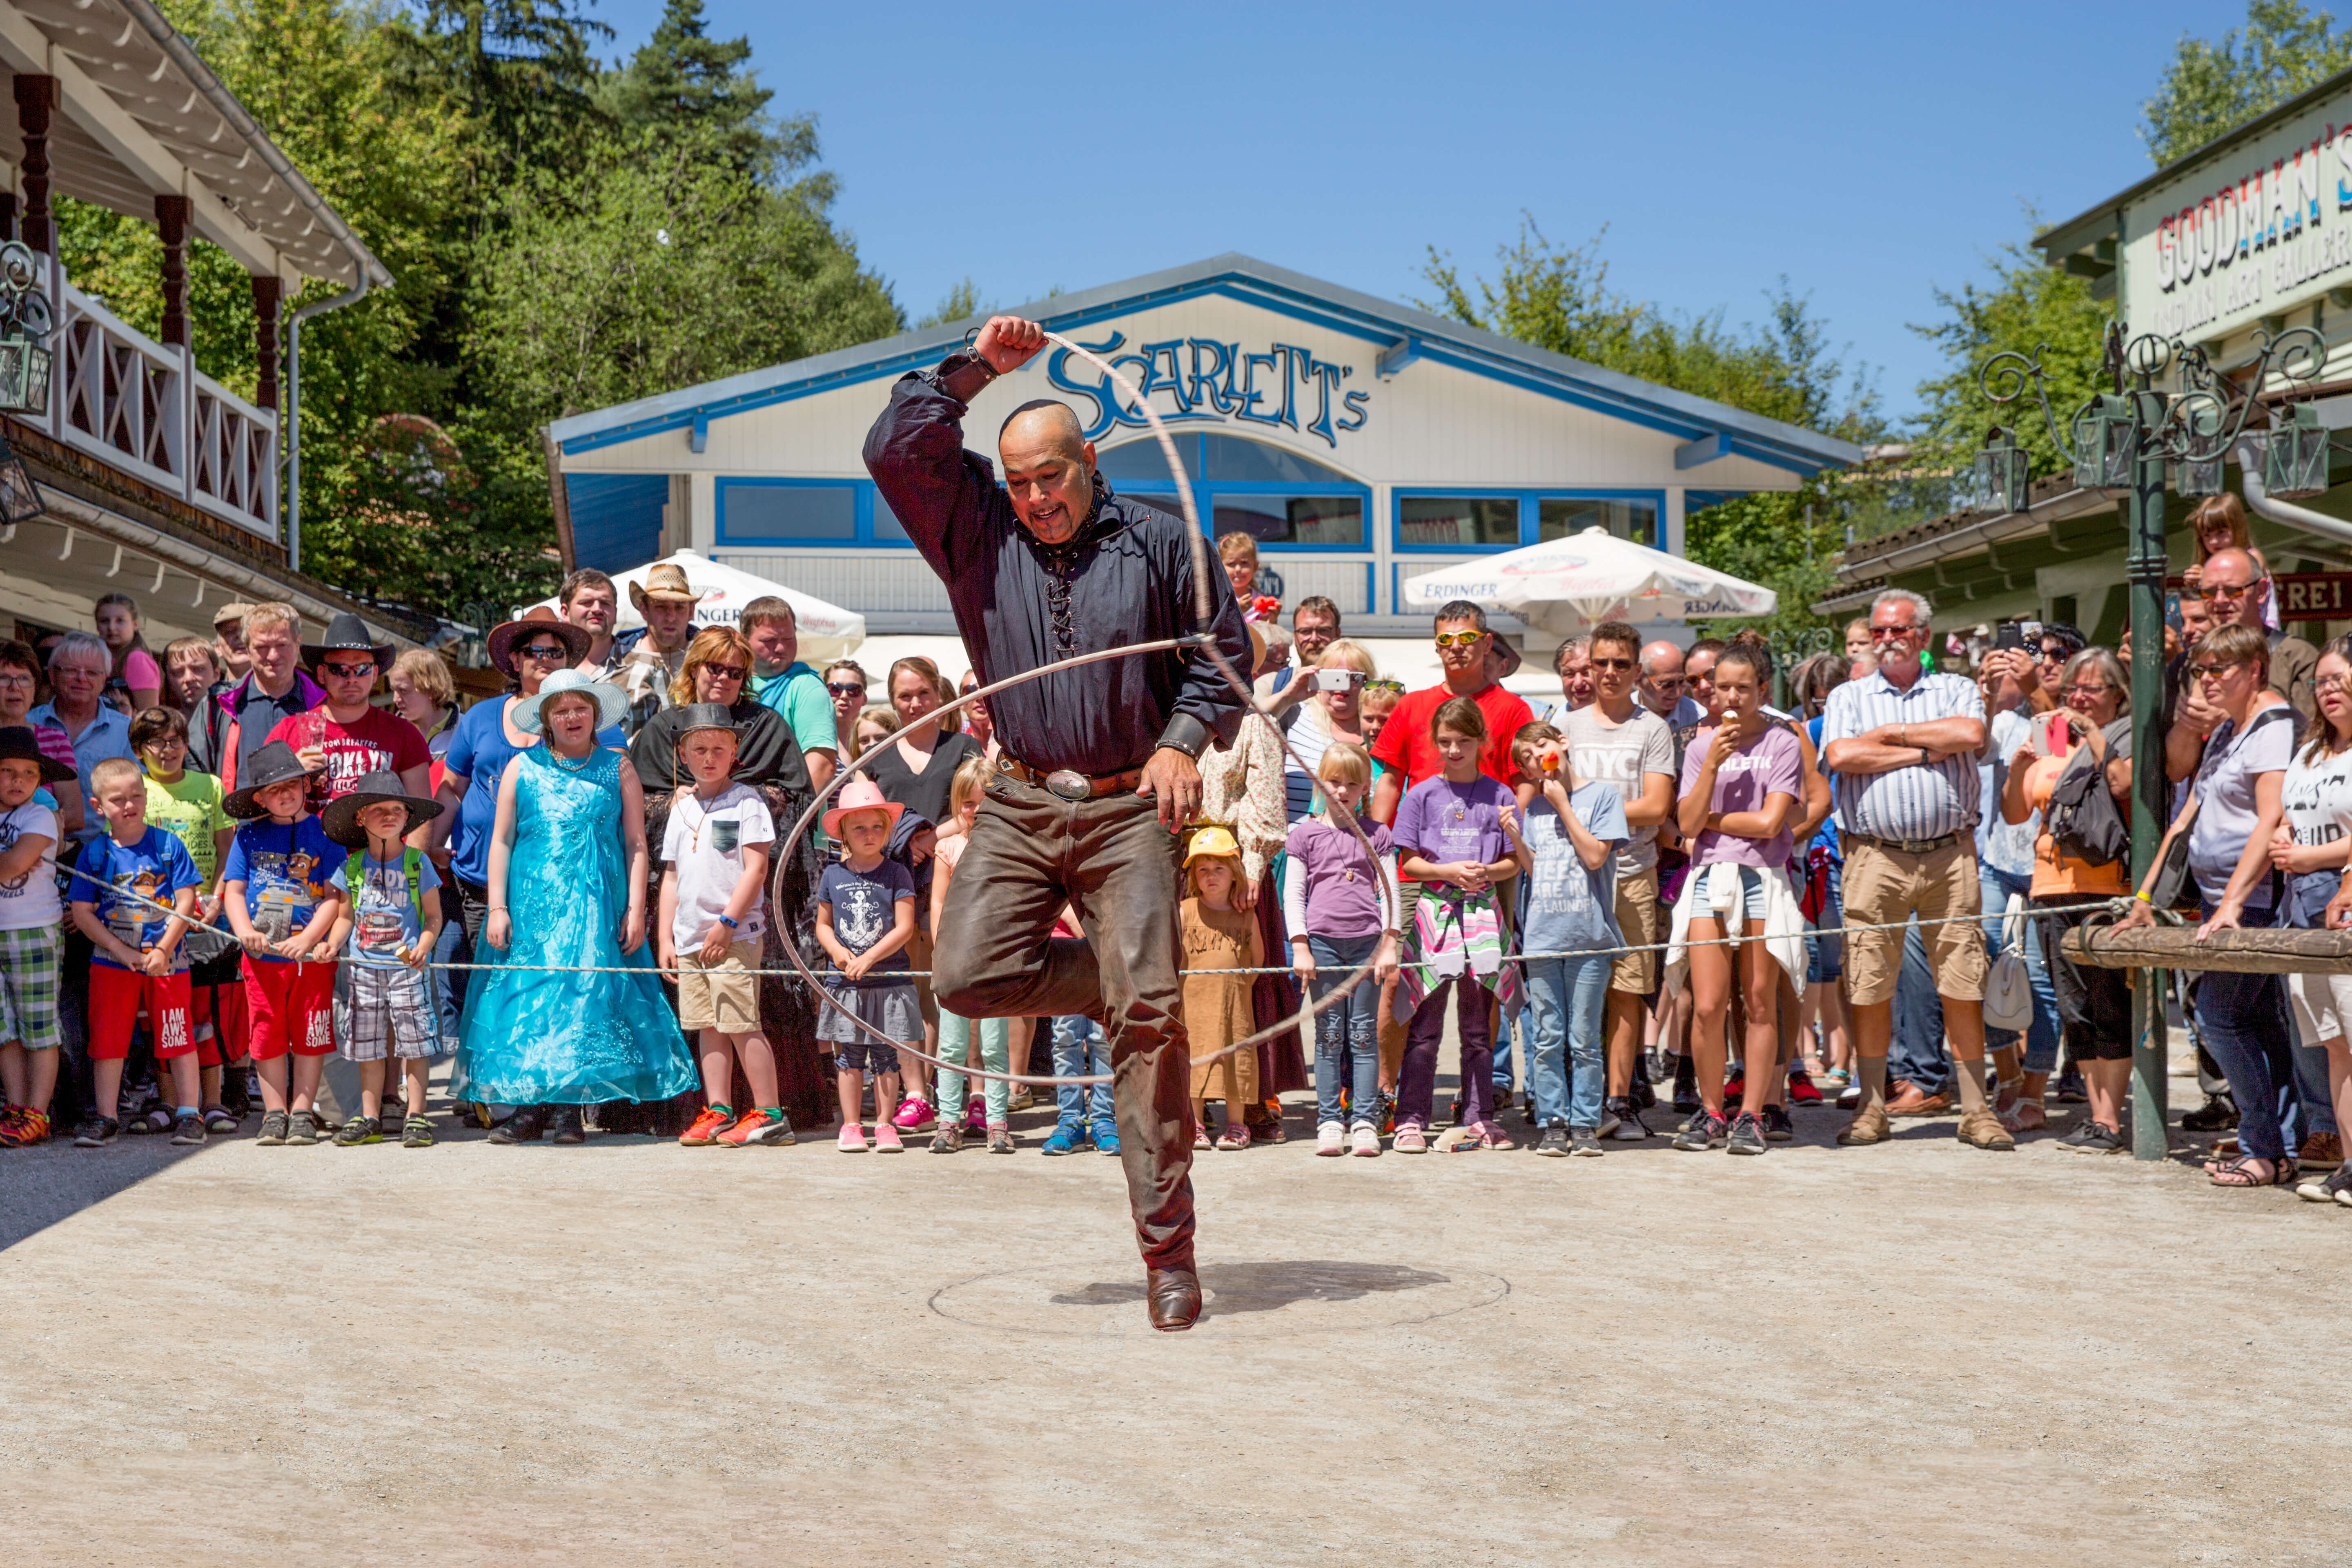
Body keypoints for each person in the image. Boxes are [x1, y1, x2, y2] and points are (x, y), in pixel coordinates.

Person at [864, 314, 1255, 1330]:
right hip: (1021, 795)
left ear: (1090, 465)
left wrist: (1182, 740)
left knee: (1148, 1028)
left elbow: (1225, 657)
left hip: (1130, 805)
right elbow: (893, 447)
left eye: (1051, 477)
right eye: (1020, 482)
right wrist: (977, 369)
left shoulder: (1162, 540)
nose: (1036, 498)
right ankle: (1125, 985)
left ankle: (1168, 1255)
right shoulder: (976, 531)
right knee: (964, 976)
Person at [454, 669, 696, 1144]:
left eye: (580, 708)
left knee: (584, 998)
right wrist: (498, 907)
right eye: (561, 710)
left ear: (595, 714)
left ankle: (568, 1111)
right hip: (534, 909)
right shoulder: (522, 768)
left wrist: (635, 908)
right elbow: (501, 841)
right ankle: (530, 1110)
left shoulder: (618, 768)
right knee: (529, 1000)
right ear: (546, 718)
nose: (572, 717)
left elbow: (636, 843)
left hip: (595, 908)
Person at [1820, 588, 2009, 1152]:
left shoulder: (1955, 688)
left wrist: (1891, 736)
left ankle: (1976, 1110)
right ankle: (1872, 1107)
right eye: (1879, 631)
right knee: (1869, 981)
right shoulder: (1850, 694)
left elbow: (1970, 736)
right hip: (1873, 855)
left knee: (1963, 980)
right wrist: (1927, 750)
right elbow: (1842, 757)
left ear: (1923, 635)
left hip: (1951, 853)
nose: (1886, 640)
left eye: (1898, 630)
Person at [2121, 622, 2300, 1185]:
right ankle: (2277, 1144)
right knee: (2256, 1022)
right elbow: (2183, 821)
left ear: (2254, 670)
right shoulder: (2226, 729)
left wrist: (2234, 904)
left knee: (2218, 1017)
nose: (2206, 681)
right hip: (2216, 897)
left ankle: (2263, 1146)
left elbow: (2270, 819)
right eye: (2200, 671)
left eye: (2218, 669)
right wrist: (2145, 897)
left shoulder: (2274, 726)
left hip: (2257, 901)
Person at [1665, 642, 1803, 1155]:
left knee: (1760, 1000)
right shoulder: (1700, 747)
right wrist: (1710, 767)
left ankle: (1753, 1113)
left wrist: (1712, 821)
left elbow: (1770, 823)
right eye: (1722, 686)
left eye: (1743, 688)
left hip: (1763, 876)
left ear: (1762, 690)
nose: (1731, 697)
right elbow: (1685, 824)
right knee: (1707, 1004)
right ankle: (1712, 1111)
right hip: (1709, 876)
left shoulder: (1783, 741)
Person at [2004, 650, 2134, 1151]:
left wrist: (2093, 732)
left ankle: (2109, 1119)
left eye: (2092, 689)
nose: (2078, 698)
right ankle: (2096, 1116)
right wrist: (2017, 769)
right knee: (2073, 1006)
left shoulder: (2124, 733)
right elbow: (2017, 812)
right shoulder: (2051, 733)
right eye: (2072, 688)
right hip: (2051, 886)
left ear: (2118, 694)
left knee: (2107, 1003)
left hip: (2106, 886)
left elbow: (2121, 784)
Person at [1390, 696, 1531, 1152]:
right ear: (1435, 742)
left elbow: (1513, 863)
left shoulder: (1501, 795)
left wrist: (1487, 872)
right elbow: (1409, 862)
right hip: (1434, 916)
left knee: (1477, 1029)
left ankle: (1479, 1116)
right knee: (1424, 1025)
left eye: (1464, 742)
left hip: (1483, 917)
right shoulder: (1420, 795)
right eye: (1446, 741)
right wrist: (1447, 872)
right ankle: (1411, 1118)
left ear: (1482, 742)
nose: (1454, 751)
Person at [1557, 620, 1675, 1141]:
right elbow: (1551, 796)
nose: (1608, 673)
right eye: (1600, 663)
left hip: (1632, 875)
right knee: (1578, 993)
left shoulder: (1653, 729)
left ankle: (1619, 1100)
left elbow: (1656, 807)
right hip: (1575, 879)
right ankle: (1578, 1100)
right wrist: (1593, 816)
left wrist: (1588, 814)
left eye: (1620, 664)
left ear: (1637, 671)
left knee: (1628, 992)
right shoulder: (1567, 726)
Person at [430, 619, 612, 958]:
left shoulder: (590, 723)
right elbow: (452, 789)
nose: (545, 659)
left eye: (556, 652)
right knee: (475, 982)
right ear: (515, 660)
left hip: (554, 887)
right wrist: (433, 846)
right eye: (534, 651)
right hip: (476, 881)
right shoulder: (480, 717)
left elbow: (610, 788)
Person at [659, 706, 792, 1150]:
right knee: (707, 1024)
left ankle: (770, 1114)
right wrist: (665, 936)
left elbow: (756, 869)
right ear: (683, 754)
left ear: (734, 752)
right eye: (699, 749)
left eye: (719, 748)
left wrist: (727, 923)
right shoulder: (681, 809)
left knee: (740, 1021)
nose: (709, 757)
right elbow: (672, 877)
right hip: (690, 937)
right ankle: (719, 1109)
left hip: (733, 935)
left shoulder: (747, 802)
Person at [69, 756, 203, 1147]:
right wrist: (119, 950)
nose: (129, 805)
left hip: (168, 962)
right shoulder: (94, 853)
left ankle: (189, 1113)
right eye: (117, 800)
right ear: (98, 807)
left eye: (136, 796)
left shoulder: (168, 845)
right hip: (111, 963)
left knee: (177, 1035)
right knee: (108, 1040)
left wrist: (163, 948)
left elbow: (186, 900)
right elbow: (82, 912)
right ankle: (106, 1117)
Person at [1511, 722, 1627, 1158]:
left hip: (1589, 936)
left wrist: (1563, 805)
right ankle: (1553, 1122)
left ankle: (1585, 1122)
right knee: (1547, 1036)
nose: (1537, 759)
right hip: (1543, 936)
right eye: (1526, 758)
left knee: (1584, 1038)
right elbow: (1536, 868)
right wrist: (1516, 837)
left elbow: (1596, 856)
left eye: (1541, 747)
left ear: (1562, 744)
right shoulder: (1534, 809)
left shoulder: (1603, 796)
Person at [220, 742, 342, 1146]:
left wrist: (309, 938)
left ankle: (303, 1112)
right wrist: (244, 930)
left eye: (292, 785)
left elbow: (334, 897)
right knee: (266, 1030)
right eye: (274, 790)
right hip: (262, 958)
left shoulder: (325, 833)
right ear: (259, 798)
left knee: (311, 1031)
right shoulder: (248, 836)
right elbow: (234, 891)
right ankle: (275, 1113)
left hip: (311, 959)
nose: (285, 794)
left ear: (307, 786)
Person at [1285, 742, 1399, 1158]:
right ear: (1320, 782)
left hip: (1368, 945)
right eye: (1334, 781)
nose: (1342, 790)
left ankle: (1365, 1120)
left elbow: (1390, 892)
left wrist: (1389, 944)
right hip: (1323, 947)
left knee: (1364, 1035)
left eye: (1353, 783)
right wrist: (1301, 946)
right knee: (1329, 1036)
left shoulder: (1377, 835)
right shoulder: (1304, 835)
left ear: (1366, 786)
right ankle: (1330, 1121)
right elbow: (1294, 894)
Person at [321, 773, 445, 1149]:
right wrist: (332, 945)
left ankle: (417, 1115)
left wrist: (425, 945)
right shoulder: (352, 867)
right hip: (363, 969)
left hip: (407, 967)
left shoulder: (417, 863)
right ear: (360, 818)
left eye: (397, 809)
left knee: (415, 1043)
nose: (390, 816)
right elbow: (345, 918)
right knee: (367, 1045)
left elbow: (434, 917)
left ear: (408, 818)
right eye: (379, 810)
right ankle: (370, 1117)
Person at [131, 706, 240, 1134]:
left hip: (206, 918)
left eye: (176, 740)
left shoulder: (209, 785)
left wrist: (215, 900)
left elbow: (227, 846)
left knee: (206, 1012)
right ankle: (168, 1101)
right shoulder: (135, 787)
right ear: (139, 750)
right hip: (154, 922)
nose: (168, 749)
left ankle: (212, 1102)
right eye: (157, 742)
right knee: (162, 1016)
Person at [1974, 638, 2061, 1127]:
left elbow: (2057, 746)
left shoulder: (2069, 717)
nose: (2042, 664)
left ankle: (2035, 1092)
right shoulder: (2006, 721)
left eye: (2053, 658)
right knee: (1987, 969)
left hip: (2048, 867)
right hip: (1997, 862)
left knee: (2041, 980)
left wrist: (2032, 686)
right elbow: (1976, 745)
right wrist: (1989, 692)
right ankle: (2007, 1076)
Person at [815, 777, 919, 1153]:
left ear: (888, 830)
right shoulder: (833, 875)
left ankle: (885, 1125)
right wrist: (838, 953)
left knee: (886, 1056)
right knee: (849, 1056)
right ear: (843, 832)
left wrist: (869, 957)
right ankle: (851, 1125)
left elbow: (905, 927)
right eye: (859, 828)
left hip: (888, 981)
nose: (869, 834)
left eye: (877, 826)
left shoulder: (897, 873)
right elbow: (823, 926)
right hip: (846, 984)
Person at [267, 614, 431, 828]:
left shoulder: (405, 734)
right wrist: (290, 774)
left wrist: (411, 852)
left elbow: (422, 817)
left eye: (362, 669)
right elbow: (260, 809)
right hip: (307, 849)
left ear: (375, 674)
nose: (352, 679)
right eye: (339, 670)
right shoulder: (287, 731)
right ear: (322, 674)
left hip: (379, 850)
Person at [930, 756, 1018, 1154]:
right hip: (954, 962)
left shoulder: (1012, 848)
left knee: (994, 1046)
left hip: (995, 963)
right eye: (969, 803)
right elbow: (938, 903)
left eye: (986, 802)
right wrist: (941, 953)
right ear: (957, 805)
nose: (977, 810)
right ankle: (948, 1121)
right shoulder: (948, 847)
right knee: (951, 1046)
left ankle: (997, 1122)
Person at [628, 627, 813, 801]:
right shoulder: (663, 729)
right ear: (694, 669)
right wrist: (671, 803)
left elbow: (798, 797)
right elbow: (636, 800)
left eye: (735, 673)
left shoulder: (766, 726)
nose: (724, 677)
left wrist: (743, 795)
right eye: (715, 669)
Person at [0, 728, 73, 1147]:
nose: (19, 780)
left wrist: (11, 860)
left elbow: (14, 864)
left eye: (29, 773)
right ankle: (15, 1106)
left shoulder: (40, 816)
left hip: (33, 930)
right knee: (4, 1028)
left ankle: (37, 1112)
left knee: (39, 1025)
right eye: (7, 771)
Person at [2173, 548, 2318, 749]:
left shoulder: (2297, 656)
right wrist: (2190, 725)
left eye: (2233, 591)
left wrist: (2232, 719)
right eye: (2210, 592)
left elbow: (2311, 741)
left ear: (2261, 591)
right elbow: (2175, 765)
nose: (2220, 600)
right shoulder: (2186, 665)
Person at [1181, 826, 1261, 1149]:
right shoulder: (1185, 911)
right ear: (1193, 876)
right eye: (1203, 870)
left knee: (1236, 1060)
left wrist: (1238, 987)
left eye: (1219, 868)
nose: (1211, 876)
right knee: (1195, 1060)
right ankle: (1196, 1124)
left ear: (1235, 873)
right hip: (1193, 1006)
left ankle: (1237, 1125)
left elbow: (1257, 959)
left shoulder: (1247, 915)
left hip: (1234, 1005)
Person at [32, 631, 135, 848]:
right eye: (71, 670)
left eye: (92, 672)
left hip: (105, 853)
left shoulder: (126, 732)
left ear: (104, 680)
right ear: (52, 675)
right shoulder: (28, 723)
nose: (82, 679)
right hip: (33, 848)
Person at [209, 604, 323, 786]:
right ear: (248, 649)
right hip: (237, 806)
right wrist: (292, 768)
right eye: (262, 647)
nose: (273, 656)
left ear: (298, 643)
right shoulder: (219, 705)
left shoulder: (323, 704)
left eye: (282, 645)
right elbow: (196, 774)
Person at [738, 595, 839, 795]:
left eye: (788, 639)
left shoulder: (806, 686)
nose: (781, 648)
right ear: (744, 640)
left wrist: (783, 810)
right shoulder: (731, 681)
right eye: (769, 641)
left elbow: (822, 766)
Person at [1278, 637, 1379, 823]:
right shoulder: (1295, 715)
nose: (1342, 686)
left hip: (1366, 839)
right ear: (1318, 678)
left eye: (1353, 678)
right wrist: (1287, 698)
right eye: (1334, 678)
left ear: (1368, 682)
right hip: (1294, 838)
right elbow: (1247, 724)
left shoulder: (1378, 728)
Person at [615, 563, 703, 732]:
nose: (671, 617)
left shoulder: (709, 659)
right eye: (661, 607)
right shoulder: (617, 658)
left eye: (679, 607)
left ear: (691, 611)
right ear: (644, 610)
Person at [386, 649, 459, 789]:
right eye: (394, 690)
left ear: (430, 689)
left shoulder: (465, 730)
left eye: (403, 691)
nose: (396, 699)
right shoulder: (389, 732)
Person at [161, 636, 228, 774]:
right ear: (169, 680)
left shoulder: (234, 720)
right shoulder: (163, 730)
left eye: (198, 669)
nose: (189, 678)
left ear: (217, 674)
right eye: (178, 672)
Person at [93, 592, 163, 713]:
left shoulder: (137, 659)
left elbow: (147, 715)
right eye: (105, 621)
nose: (111, 627)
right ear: (97, 626)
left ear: (135, 625)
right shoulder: (96, 658)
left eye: (120, 621)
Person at [557, 568, 624, 682]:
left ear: (615, 613)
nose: (597, 609)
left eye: (605, 603)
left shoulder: (644, 665)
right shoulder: (550, 667)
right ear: (566, 613)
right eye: (587, 602)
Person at [1638, 641, 1704, 728]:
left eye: (1682, 681)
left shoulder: (1700, 718)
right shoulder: (1621, 714)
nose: (1677, 692)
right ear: (1640, 681)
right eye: (1667, 684)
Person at [1221, 532, 1272, 621]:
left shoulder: (1260, 599)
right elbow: (1218, 626)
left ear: (1255, 567)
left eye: (1244, 563)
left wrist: (1273, 619)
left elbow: (1266, 629)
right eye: (1232, 564)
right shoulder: (1220, 599)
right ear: (1220, 567)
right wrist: (1238, 611)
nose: (1238, 569)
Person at [825, 661, 871, 741]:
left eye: (854, 690)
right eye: (835, 689)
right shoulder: (809, 735)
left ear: (865, 699)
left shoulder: (876, 738)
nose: (844, 696)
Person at [1551, 636, 1595, 716]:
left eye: (1587, 673)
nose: (1578, 684)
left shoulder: (1619, 721)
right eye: (1569, 674)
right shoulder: (1548, 721)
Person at [211, 602, 253, 683]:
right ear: (218, 648)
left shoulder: (280, 690)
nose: (240, 636)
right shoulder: (211, 691)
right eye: (230, 631)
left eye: (248, 630)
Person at [956, 670, 995, 757]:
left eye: (985, 689)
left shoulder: (1008, 740)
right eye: (970, 691)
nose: (979, 697)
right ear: (962, 704)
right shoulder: (959, 748)